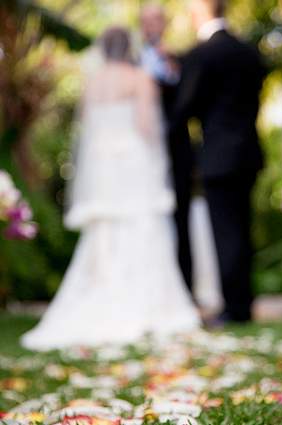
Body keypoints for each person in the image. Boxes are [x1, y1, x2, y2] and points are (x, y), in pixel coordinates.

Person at [20, 27, 200, 351]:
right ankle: (147, 304)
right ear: (129, 47)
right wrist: (158, 166)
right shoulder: (140, 79)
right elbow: (147, 127)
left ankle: (103, 297)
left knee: (105, 230)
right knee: (141, 226)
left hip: (103, 167)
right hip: (133, 162)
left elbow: (88, 129)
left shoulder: (94, 82)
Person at [170, 0, 266, 324]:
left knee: (226, 233)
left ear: (200, 12)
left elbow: (186, 107)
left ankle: (234, 310)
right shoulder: (248, 52)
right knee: (242, 230)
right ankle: (244, 304)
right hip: (249, 152)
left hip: (218, 156)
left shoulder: (202, 54)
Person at [139, 3, 194, 292]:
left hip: (176, 151)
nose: (151, 26)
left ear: (165, 23)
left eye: (156, 20)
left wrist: (174, 67)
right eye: (146, 21)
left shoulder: (180, 60)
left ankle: (185, 287)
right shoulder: (132, 62)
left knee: (181, 218)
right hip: (143, 154)